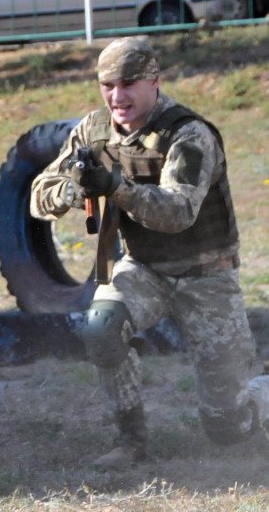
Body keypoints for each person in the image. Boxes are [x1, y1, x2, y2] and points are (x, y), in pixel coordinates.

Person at [31, 37, 269, 469]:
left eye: (128, 84)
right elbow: (39, 193)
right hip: (144, 270)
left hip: (206, 275)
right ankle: (131, 439)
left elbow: (179, 213)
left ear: (154, 83)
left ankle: (261, 392)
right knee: (102, 327)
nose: (117, 96)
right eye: (107, 85)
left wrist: (116, 188)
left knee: (228, 428)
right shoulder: (95, 131)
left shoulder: (189, 134)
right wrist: (71, 189)